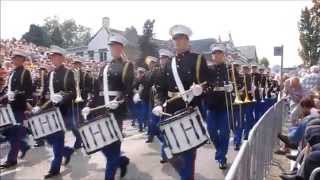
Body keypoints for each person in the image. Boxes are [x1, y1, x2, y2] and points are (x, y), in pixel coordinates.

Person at [152, 24, 208, 180]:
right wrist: (158, 103)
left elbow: (207, 83)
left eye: (181, 39)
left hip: (190, 109)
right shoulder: (168, 64)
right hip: (170, 111)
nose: (178, 42)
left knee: (188, 153)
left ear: (187, 40)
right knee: (170, 151)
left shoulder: (197, 59)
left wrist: (201, 90)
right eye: (175, 39)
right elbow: (159, 89)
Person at [82, 33, 133, 180]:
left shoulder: (126, 65)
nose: (114, 49)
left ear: (121, 48)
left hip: (116, 110)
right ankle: (121, 161)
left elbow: (128, 88)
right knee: (102, 144)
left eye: (117, 46)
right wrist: (88, 105)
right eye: (112, 46)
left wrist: (120, 100)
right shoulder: (104, 66)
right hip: (101, 109)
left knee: (114, 144)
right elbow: (96, 89)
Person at [32, 45, 76, 178]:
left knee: (57, 138)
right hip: (49, 110)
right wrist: (38, 105)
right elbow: (45, 92)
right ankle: (66, 151)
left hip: (62, 111)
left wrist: (63, 97)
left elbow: (73, 92)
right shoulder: (49, 74)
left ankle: (55, 168)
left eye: (56, 57)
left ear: (62, 58)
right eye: (52, 57)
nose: (53, 59)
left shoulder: (69, 73)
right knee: (48, 137)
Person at [0, 50, 32, 169]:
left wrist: (17, 96)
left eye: (17, 58)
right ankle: (23, 146)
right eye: (13, 58)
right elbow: (8, 88)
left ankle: (12, 159)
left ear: (22, 60)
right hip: (10, 107)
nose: (14, 60)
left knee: (14, 134)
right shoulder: (12, 72)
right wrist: (4, 95)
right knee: (6, 132)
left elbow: (27, 90)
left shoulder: (25, 72)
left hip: (18, 107)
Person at [204, 44, 233, 169]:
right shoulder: (208, 70)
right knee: (211, 131)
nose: (217, 55)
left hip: (224, 105)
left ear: (223, 55)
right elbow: (204, 84)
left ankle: (222, 157)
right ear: (212, 56)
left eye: (220, 53)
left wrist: (231, 88)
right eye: (215, 53)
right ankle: (219, 151)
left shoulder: (230, 69)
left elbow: (240, 84)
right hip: (211, 104)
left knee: (225, 133)